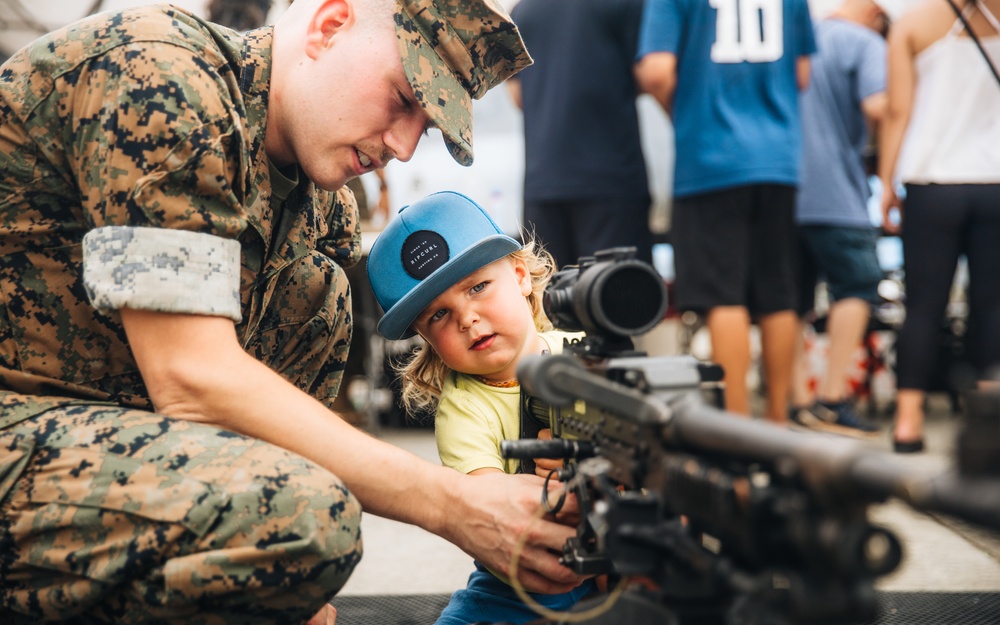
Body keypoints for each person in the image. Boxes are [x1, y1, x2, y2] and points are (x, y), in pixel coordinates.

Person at [0, 1, 588, 624]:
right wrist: (457, 504)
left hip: (104, 446)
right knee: (303, 519)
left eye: (427, 125)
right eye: (402, 96)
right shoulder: (159, 72)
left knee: (320, 297)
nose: (405, 146)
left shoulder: (316, 205)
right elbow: (191, 381)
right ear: (330, 26)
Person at [366, 190, 597, 625]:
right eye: (437, 315)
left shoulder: (583, 352)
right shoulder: (463, 409)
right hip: (522, 585)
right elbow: (493, 510)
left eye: (478, 287)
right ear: (427, 340)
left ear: (520, 275)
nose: (466, 318)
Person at [634, 0, 817, 422]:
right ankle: (778, 424)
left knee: (723, 296)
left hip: (711, 157)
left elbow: (657, 70)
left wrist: (682, 112)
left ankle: (738, 432)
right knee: (778, 295)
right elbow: (803, 74)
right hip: (778, 160)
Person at [878, 0, 1000, 453]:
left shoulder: (912, 25)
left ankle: (908, 420)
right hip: (995, 183)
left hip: (932, 182)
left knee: (925, 306)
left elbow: (897, 111)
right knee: (992, 307)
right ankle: (991, 422)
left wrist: (888, 184)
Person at [788, 0, 896, 438]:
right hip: (836, 193)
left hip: (780, 190)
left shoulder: (796, 39)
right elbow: (878, 106)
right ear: (876, 13)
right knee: (857, 285)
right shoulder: (866, 42)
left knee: (789, 300)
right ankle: (831, 399)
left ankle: (795, 402)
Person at [506, 0, 654, 269]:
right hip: (610, 180)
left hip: (543, 184)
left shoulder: (523, 10)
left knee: (551, 303)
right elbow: (650, 75)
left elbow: (517, 96)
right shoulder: (625, 4)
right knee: (619, 301)